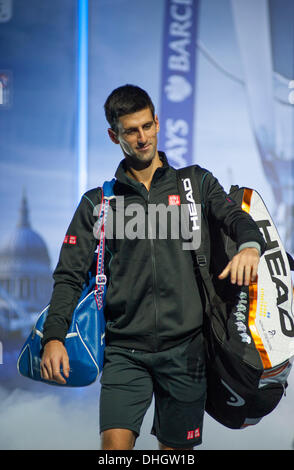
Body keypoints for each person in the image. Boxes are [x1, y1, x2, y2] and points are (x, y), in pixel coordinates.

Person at [40, 84, 266, 450]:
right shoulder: (98, 203)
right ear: (114, 136)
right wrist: (54, 337)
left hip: (187, 352)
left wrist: (250, 247)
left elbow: (235, 218)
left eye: (147, 126)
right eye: (131, 131)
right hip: (125, 353)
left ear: (157, 122)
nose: (142, 138)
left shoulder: (196, 182)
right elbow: (68, 276)